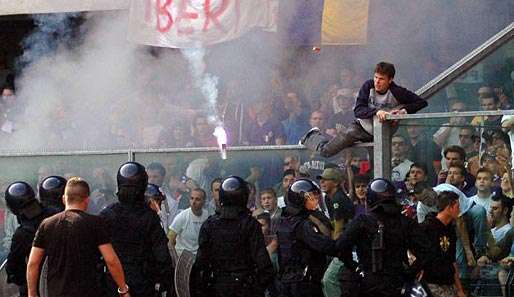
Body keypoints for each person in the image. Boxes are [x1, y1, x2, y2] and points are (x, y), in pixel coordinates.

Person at [26, 177, 130, 297]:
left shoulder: (47, 224)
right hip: (88, 291)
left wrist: (32, 293)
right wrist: (123, 289)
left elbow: (33, 263)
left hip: (56, 292)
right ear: (87, 200)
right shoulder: (95, 223)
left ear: (64, 199)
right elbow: (111, 260)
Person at [301, 61, 427, 157]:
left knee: (376, 166)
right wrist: (377, 112)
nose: (377, 82)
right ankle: (312, 136)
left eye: (381, 79)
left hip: (382, 134)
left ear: (390, 80)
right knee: (326, 151)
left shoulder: (398, 92)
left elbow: (421, 102)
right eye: (376, 77)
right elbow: (358, 110)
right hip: (359, 128)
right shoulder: (368, 86)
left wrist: (402, 111)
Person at [336, 178, 431, 297]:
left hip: (369, 282)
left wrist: (354, 267)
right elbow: (426, 251)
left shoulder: (362, 221)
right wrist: (410, 273)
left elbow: (340, 246)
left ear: (369, 200)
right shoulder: (406, 223)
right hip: (397, 282)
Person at [100, 162, 173, 297]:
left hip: (113, 282)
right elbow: (162, 257)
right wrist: (165, 283)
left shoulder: (107, 215)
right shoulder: (149, 217)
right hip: (142, 283)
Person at [193, 176, 274, 297]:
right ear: (244, 197)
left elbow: (200, 265)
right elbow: (264, 264)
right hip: (244, 287)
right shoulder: (250, 224)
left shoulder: (209, 225)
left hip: (219, 287)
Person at [276, 179, 338, 297]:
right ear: (300, 199)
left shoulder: (284, 220)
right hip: (304, 281)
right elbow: (322, 244)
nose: (315, 199)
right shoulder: (302, 224)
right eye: (311, 196)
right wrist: (341, 246)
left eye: (316, 195)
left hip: (288, 280)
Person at [420, 191, 466, 297]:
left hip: (448, 283)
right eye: (457, 206)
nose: (459, 210)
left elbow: (452, 261)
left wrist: (459, 289)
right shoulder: (426, 228)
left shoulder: (451, 230)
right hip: (430, 284)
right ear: (449, 207)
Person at [4, 182, 46, 297]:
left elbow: (14, 266)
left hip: (39, 284)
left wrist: (24, 281)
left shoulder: (23, 233)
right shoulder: (53, 215)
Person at [168, 188, 209, 257]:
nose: (193, 202)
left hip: (199, 257)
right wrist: (175, 259)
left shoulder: (206, 215)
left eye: (197, 199)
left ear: (204, 201)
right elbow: (170, 239)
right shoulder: (182, 216)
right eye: (192, 198)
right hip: (183, 258)